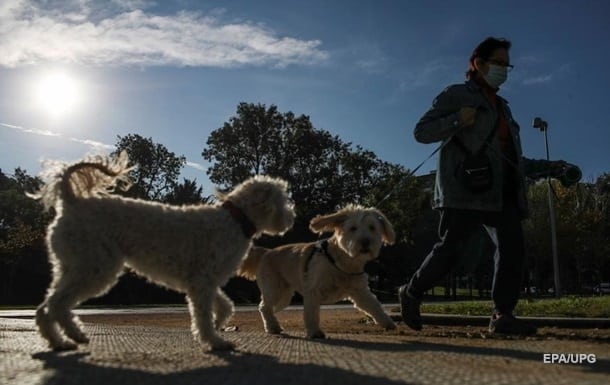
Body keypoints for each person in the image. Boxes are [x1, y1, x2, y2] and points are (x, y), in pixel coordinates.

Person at [398, 37, 569, 335]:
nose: (503, 69)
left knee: (512, 250)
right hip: (464, 189)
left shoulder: (504, 108)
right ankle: (411, 292)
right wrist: (456, 120)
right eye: (498, 63)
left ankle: (502, 315)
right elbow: (421, 132)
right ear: (478, 63)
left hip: (502, 191)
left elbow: (512, 158)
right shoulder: (456, 94)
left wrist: (551, 167)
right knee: (451, 249)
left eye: (506, 64)